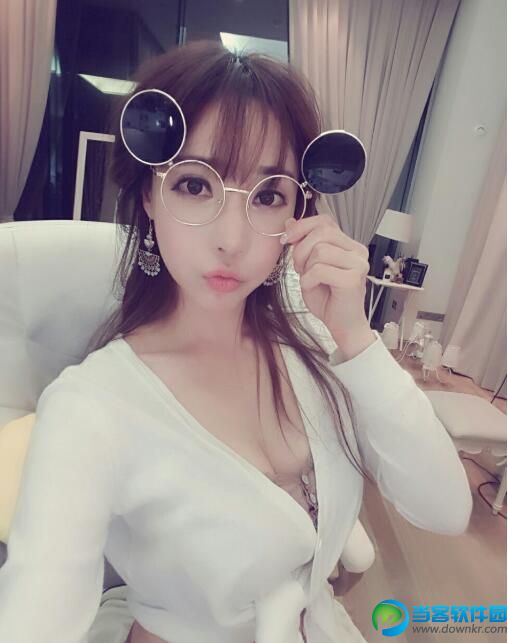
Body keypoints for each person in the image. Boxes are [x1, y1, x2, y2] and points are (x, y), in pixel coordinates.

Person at [0, 40, 473, 643]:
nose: (231, 238)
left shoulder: (314, 349)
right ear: (148, 196)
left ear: (298, 212)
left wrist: (357, 339)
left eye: (268, 196)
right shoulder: (92, 408)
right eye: (195, 185)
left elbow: (446, 510)